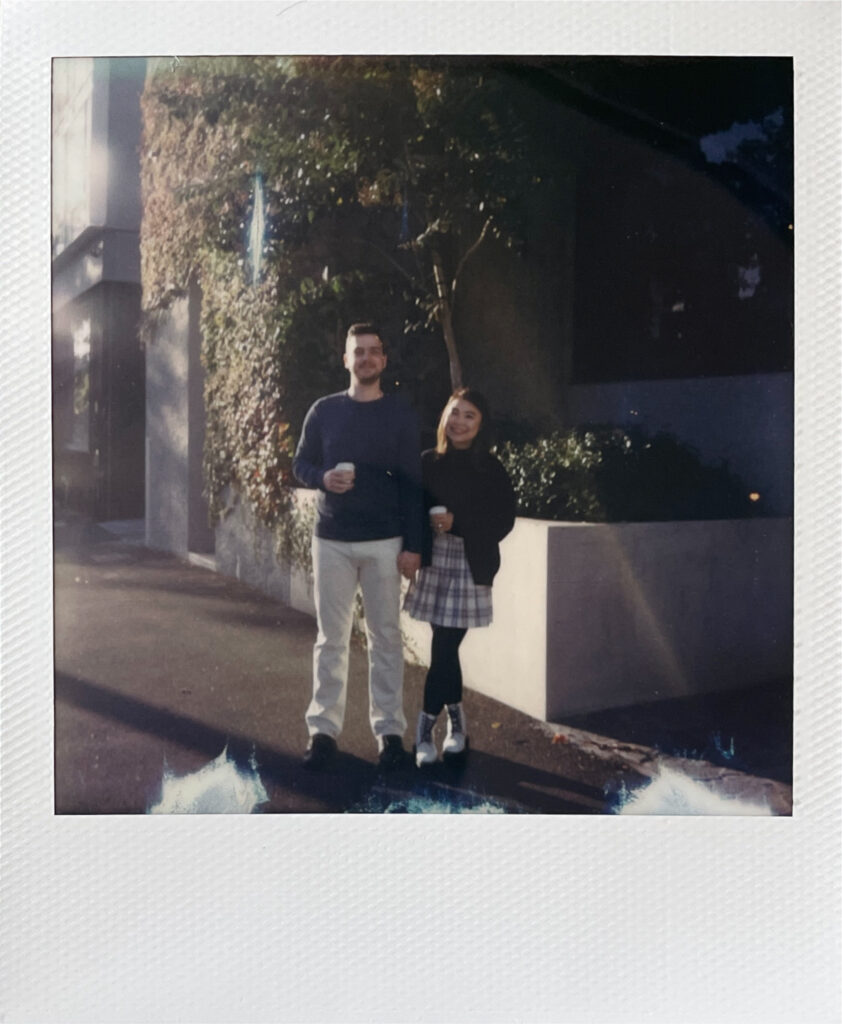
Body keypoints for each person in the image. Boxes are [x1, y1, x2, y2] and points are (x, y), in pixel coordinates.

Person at [292, 323, 423, 771]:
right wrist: (322, 479)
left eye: (373, 352)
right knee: (331, 639)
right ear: (345, 360)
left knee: (386, 638)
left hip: (386, 543)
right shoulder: (323, 411)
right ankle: (323, 733)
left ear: (383, 361)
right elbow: (301, 464)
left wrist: (414, 545)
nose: (366, 359)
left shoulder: (400, 415)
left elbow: (412, 484)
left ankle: (389, 734)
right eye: (357, 352)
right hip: (332, 542)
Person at [404, 387, 516, 767]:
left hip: (471, 562)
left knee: (444, 648)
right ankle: (456, 726)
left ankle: (424, 734)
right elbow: (413, 510)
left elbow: (503, 521)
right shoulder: (428, 462)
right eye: (455, 413)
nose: (460, 422)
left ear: (480, 424)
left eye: (469, 415)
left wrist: (459, 523)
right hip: (435, 562)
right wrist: (415, 546)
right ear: (444, 417)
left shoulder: (491, 468)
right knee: (444, 648)